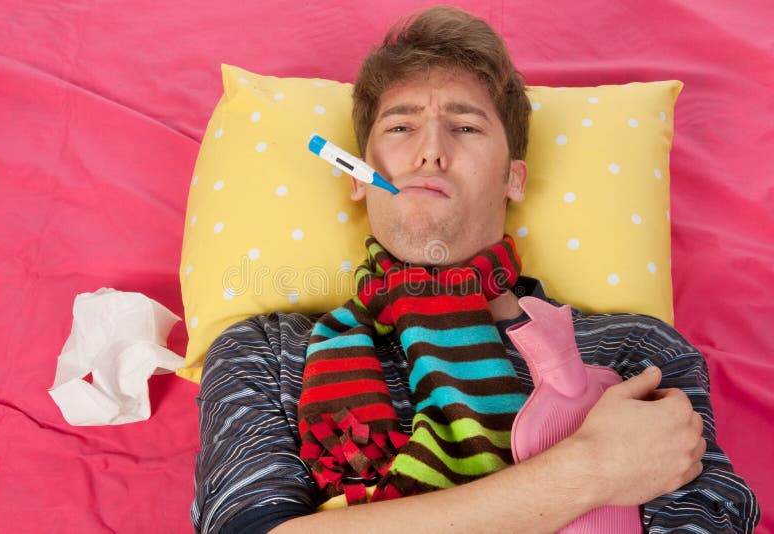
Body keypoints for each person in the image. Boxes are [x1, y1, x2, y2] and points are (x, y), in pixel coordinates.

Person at [192, 6, 759, 533]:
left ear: (514, 178)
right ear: (358, 177)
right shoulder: (263, 351)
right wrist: (589, 469)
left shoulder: (633, 350)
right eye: (399, 127)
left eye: (465, 127)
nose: (431, 151)